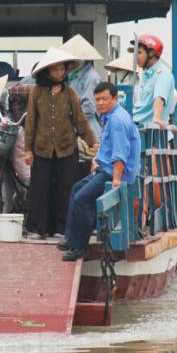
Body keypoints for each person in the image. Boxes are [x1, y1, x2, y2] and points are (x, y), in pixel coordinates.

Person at [59, 82, 141, 261]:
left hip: (114, 173)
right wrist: (96, 160)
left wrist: (116, 181)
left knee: (82, 199)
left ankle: (79, 247)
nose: (100, 103)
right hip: (104, 168)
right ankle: (71, 238)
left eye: (104, 99)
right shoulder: (109, 117)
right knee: (75, 189)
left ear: (114, 98)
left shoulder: (117, 120)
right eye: (97, 100)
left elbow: (120, 154)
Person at [24, 47, 98, 240]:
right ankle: (39, 229)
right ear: (47, 72)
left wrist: (93, 143)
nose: (58, 73)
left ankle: (62, 228)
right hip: (41, 149)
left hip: (67, 148)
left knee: (65, 189)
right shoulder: (36, 92)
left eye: (61, 69)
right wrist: (27, 150)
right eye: (54, 70)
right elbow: (31, 122)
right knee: (40, 188)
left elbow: (80, 121)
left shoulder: (70, 93)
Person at [59, 35, 103, 137]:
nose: (69, 65)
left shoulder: (91, 77)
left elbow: (89, 107)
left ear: (82, 60)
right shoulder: (72, 76)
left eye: (71, 62)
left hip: (88, 128)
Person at [130, 35, 176, 129]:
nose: (136, 57)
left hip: (148, 132)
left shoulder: (162, 74)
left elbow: (159, 98)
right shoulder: (146, 75)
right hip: (136, 125)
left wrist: (157, 118)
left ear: (151, 53)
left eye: (139, 52)